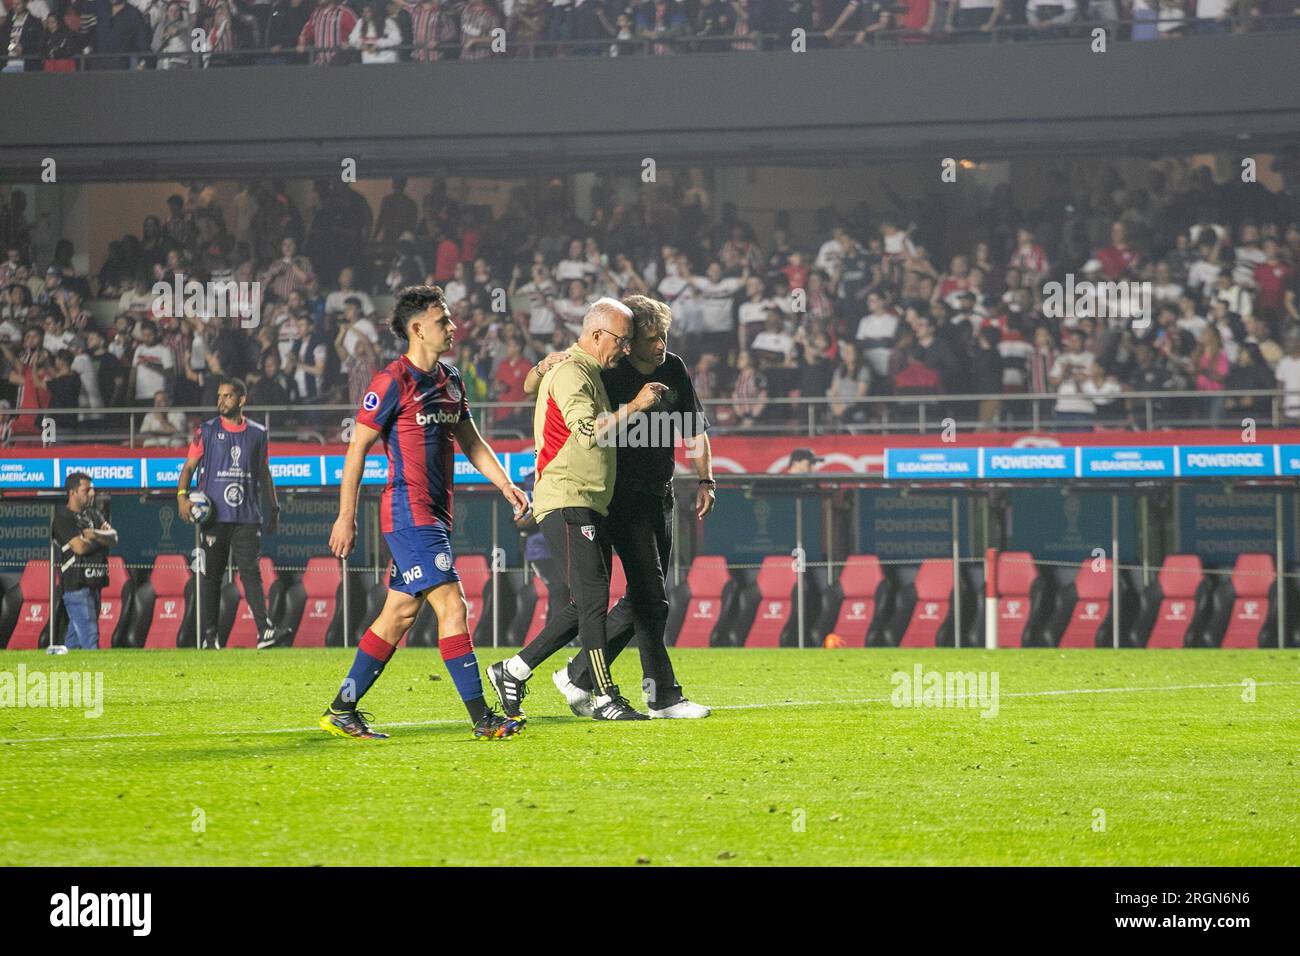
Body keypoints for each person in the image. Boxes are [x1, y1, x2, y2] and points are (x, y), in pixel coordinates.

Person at [322, 285, 530, 742]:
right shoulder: (391, 381)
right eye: (444, 321)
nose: (453, 328)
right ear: (417, 329)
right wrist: (345, 516)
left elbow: (471, 441)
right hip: (409, 512)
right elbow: (356, 448)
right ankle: (483, 718)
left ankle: (343, 708)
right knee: (453, 605)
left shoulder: (450, 378)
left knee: (397, 614)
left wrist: (505, 484)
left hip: (435, 515)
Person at [516, 295, 715, 719]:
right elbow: (536, 387)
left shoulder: (674, 368)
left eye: (664, 335)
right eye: (649, 337)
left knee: (643, 598)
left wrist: (705, 478)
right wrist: (542, 365)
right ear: (627, 340)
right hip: (618, 497)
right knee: (651, 599)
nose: (660, 344)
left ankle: (581, 674)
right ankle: (661, 695)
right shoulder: (608, 367)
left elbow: (693, 427)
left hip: (661, 494)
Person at [485, 297, 668, 722]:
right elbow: (586, 433)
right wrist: (637, 406)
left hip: (586, 501)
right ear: (598, 334)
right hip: (568, 499)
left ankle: (512, 670)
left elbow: (534, 386)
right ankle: (604, 696)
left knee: (585, 602)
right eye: (622, 341)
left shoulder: (581, 368)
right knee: (592, 600)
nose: (626, 349)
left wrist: (536, 371)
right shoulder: (573, 372)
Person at [176, 378, 282, 650]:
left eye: (227, 396)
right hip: (213, 516)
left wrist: (274, 507)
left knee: (251, 574)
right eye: (219, 396)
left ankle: (264, 631)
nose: (220, 401)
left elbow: (264, 473)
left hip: (246, 517)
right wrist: (182, 497)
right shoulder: (206, 431)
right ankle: (210, 635)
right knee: (212, 576)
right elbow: (188, 468)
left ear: (241, 400)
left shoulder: (258, 433)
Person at [52, 472, 118, 650]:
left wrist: (95, 535)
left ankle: (60, 669)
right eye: (86, 490)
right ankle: (96, 675)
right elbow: (79, 547)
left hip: (95, 582)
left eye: (92, 489)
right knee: (90, 637)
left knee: (74, 639)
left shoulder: (94, 514)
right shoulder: (63, 518)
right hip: (76, 586)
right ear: (72, 492)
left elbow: (113, 537)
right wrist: (101, 540)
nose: (92, 493)